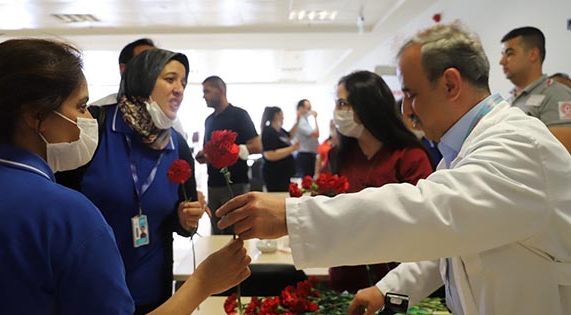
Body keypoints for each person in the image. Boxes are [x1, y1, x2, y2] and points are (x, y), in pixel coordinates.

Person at [215, 23, 571, 315]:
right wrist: (389, 288)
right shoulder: (464, 150)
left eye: (412, 94)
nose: (407, 112)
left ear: (449, 84)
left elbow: (430, 213)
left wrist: (293, 216)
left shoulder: (517, 144)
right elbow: (452, 239)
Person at [0, 33, 250, 315]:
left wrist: (182, 220)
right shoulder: (69, 214)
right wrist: (203, 283)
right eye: (81, 107)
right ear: (37, 116)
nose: (87, 118)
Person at [57, 48, 209, 314]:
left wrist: (186, 220)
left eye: (183, 82)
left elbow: (178, 220)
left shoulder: (177, 144)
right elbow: (59, 204)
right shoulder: (98, 127)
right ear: (143, 78)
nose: (179, 89)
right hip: (90, 289)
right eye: (170, 79)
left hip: (152, 291)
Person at [326, 70, 433, 293]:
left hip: (395, 281)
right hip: (346, 276)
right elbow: (324, 205)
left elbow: (423, 220)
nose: (337, 112)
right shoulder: (338, 155)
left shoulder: (409, 157)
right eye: (337, 103)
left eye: (343, 103)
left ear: (367, 106)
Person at [196, 75, 262, 235]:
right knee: (217, 235)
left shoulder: (239, 115)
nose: (203, 95)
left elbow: (257, 146)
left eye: (207, 91)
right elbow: (210, 149)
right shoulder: (209, 120)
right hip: (213, 185)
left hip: (236, 185)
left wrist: (229, 150)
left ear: (220, 90)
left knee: (238, 233)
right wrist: (205, 155)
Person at [91, 38, 187, 138]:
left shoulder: (172, 128)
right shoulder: (98, 117)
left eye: (183, 83)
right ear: (125, 70)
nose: (179, 89)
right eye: (145, 63)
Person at [500, 27, 571, 126]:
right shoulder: (507, 101)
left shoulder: (557, 95)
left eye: (509, 53)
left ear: (533, 54)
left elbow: (565, 140)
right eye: (502, 54)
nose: (502, 61)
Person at [260, 106, 300, 192]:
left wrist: (297, 121)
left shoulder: (280, 131)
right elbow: (270, 154)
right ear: (276, 115)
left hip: (284, 173)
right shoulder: (268, 131)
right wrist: (291, 149)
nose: (283, 117)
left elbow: (289, 136)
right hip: (274, 174)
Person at [289, 99, 319, 178]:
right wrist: (315, 118)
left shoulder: (305, 121)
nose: (309, 111)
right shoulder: (301, 122)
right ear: (300, 108)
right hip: (305, 155)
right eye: (308, 108)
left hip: (308, 155)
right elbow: (316, 134)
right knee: (307, 181)